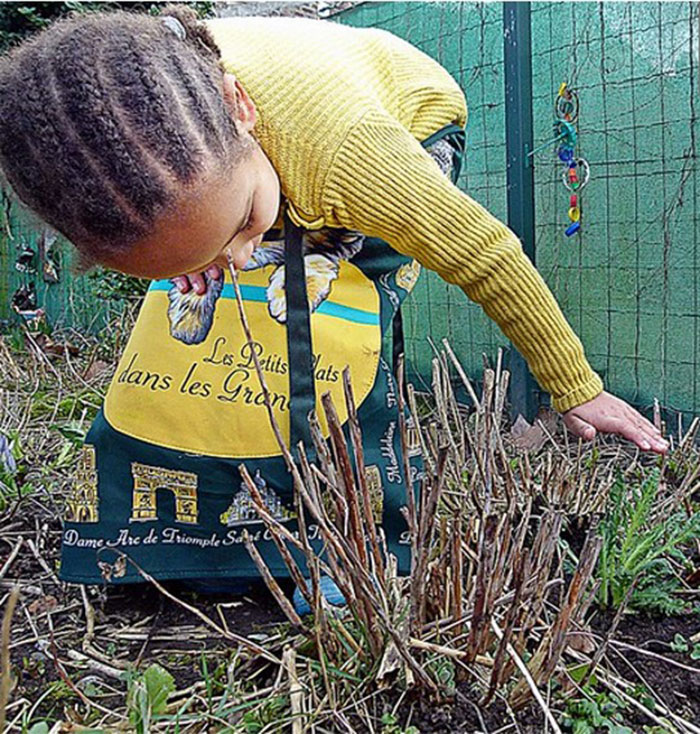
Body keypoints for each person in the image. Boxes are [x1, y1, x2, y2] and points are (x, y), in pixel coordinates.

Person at [0, 7, 667, 590]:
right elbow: (207, 227)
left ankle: (359, 536)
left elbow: (485, 254)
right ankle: (185, 532)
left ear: (240, 108)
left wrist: (574, 385)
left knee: (337, 313)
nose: (234, 261)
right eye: (202, 255)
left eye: (236, 230)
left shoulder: (356, 160)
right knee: (223, 288)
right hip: (266, 152)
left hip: (404, 116)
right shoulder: (145, 170)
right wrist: (198, 256)